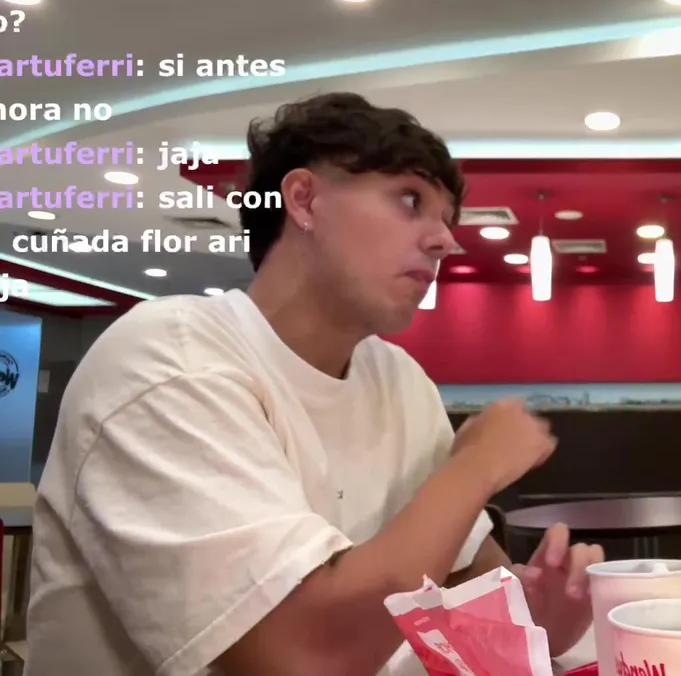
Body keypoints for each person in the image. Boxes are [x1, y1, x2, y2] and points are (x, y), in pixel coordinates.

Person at [25, 92, 604, 675]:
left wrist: (539, 613)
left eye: (447, 220)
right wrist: (476, 465)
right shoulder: (169, 360)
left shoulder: (400, 380)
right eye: (410, 200)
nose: (444, 241)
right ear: (304, 199)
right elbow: (304, 658)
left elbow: (472, 585)